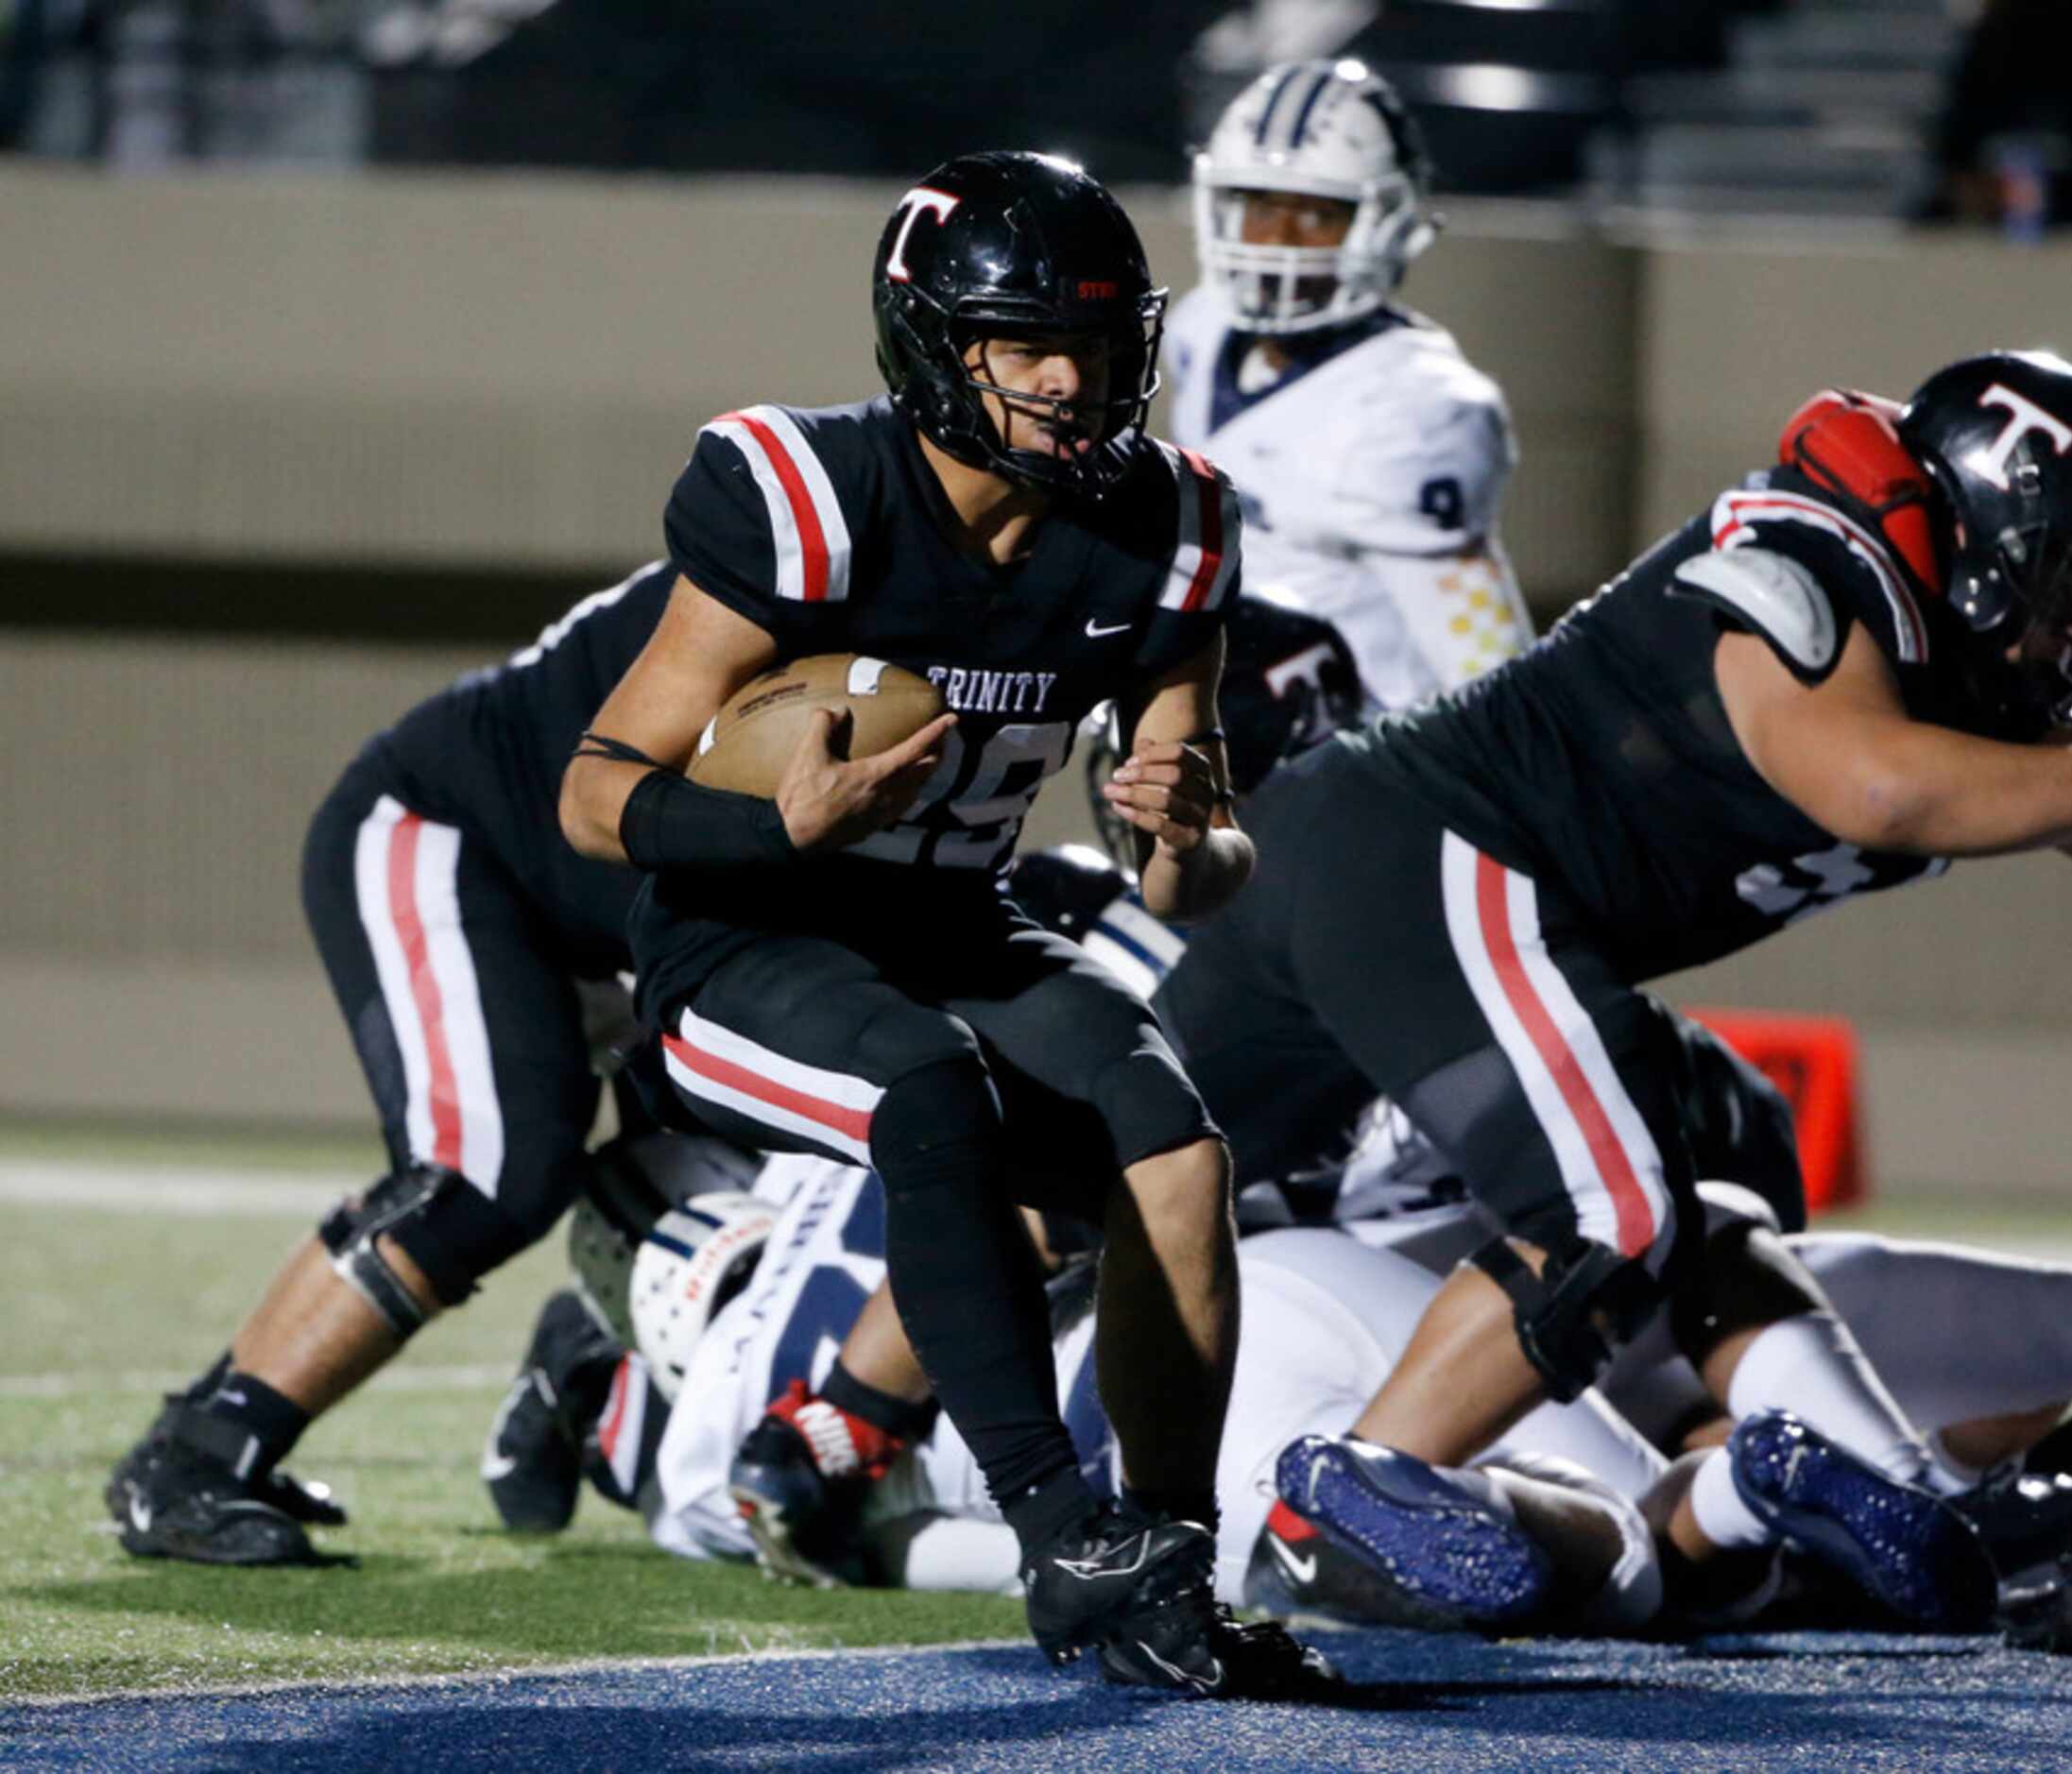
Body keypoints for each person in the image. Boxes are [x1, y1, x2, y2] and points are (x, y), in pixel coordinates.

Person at [1147, 348, 2072, 1630]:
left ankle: (884, 1423)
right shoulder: (1817, 558)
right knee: (1607, 1203)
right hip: (1425, 853)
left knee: (1107, 1168)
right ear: (1989, 529)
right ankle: (1347, 1490)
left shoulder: (1991, 710)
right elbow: (1874, 784)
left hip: (1372, 871)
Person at [554, 150, 1331, 1697]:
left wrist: (1181, 831)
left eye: (1096, 344)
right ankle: (1062, 1534)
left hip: (955, 917)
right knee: (932, 1087)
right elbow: (595, 790)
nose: (1069, 378)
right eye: (1028, 344)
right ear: (935, 344)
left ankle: (1167, 1559)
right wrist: (769, 823)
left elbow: (1192, 873)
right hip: (741, 941)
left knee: (1173, 1146)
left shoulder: (1167, 523)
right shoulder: (807, 501)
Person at [103, 561, 678, 1565]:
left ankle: (590, 1356)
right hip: (460, 837)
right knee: (488, 1168)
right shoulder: (807, 558)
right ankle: (197, 1452)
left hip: (638, 918)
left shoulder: (1003, 616)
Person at [1166, 58, 1534, 711]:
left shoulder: (1418, 408)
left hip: (1364, 763)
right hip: (1226, 725)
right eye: (1259, 205)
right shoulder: (1200, 331)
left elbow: (1485, 666)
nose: (1277, 239)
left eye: (1315, 214)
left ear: (1383, 222)